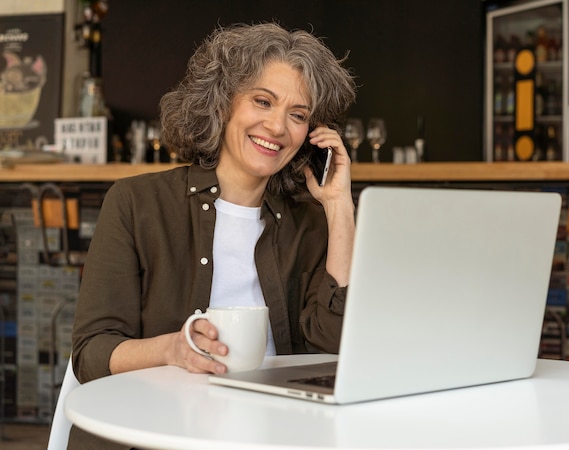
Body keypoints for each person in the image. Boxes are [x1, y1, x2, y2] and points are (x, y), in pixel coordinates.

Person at [69, 22, 357, 448]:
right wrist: (171, 350)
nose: (278, 127)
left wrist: (339, 207)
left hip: (275, 433)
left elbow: (332, 349)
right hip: (153, 431)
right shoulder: (136, 202)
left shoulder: (311, 224)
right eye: (263, 101)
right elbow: (91, 353)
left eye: (298, 115)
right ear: (223, 103)